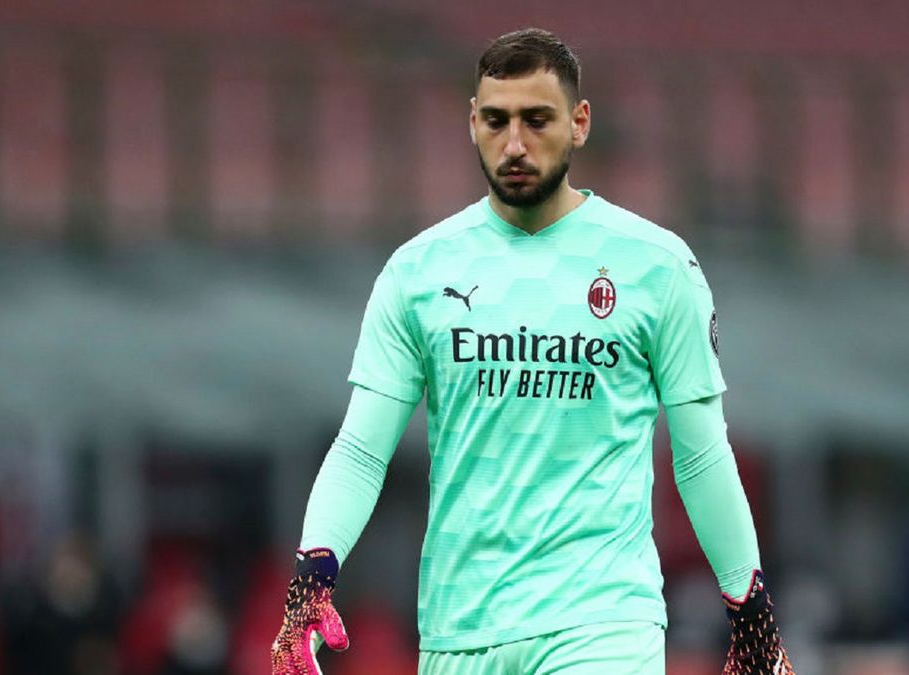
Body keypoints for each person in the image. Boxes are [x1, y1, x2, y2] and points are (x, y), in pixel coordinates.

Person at [270, 27, 793, 675]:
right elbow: (360, 449)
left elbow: (702, 454)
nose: (513, 142)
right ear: (471, 123)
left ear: (579, 123)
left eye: (536, 120)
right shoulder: (417, 272)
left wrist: (750, 607)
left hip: (603, 622)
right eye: (496, 120)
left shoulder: (657, 267)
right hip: (461, 626)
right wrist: (311, 576)